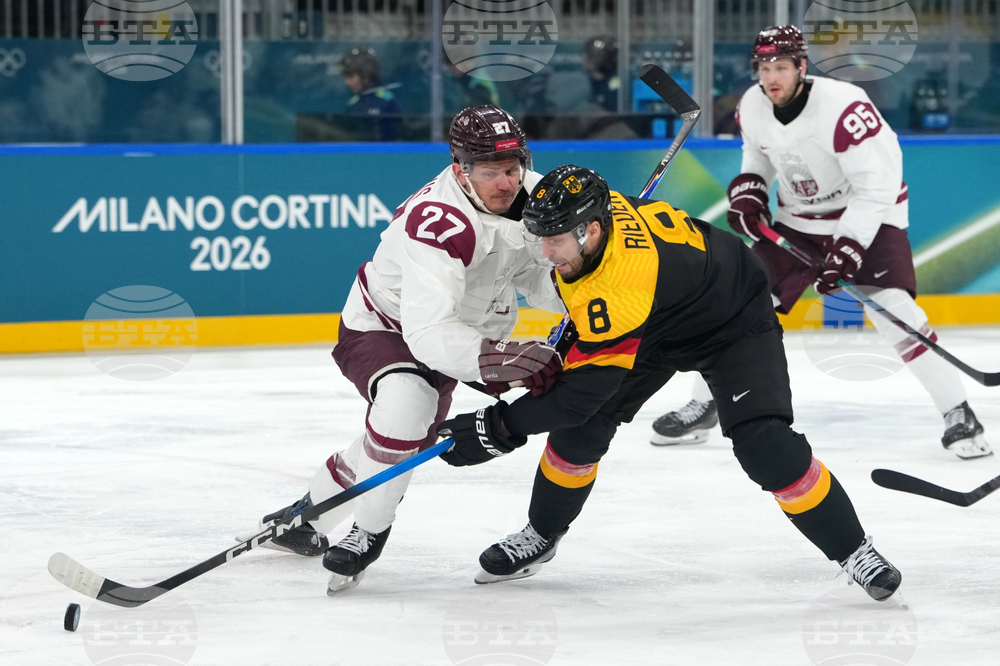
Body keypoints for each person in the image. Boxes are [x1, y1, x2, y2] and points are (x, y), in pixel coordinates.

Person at [438, 164, 903, 603]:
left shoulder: (617, 290)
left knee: (766, 447)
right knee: (581, 434)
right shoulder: (599, 215)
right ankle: (542, 534)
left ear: (592, 230)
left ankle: (854, 549)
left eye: (555, 240)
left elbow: (580, 396)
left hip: (732, 318)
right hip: (659, 317)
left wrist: (498, 427)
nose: (545, 253)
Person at [242, 105, 565, 594]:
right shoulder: (439, 221)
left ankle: (301, 518)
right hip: (385, 325)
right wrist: (497, 359)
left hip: (459, 331)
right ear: (461, 169)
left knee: (393, 439)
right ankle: (367, 531)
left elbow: (532, 273)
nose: (506, 181)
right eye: (491, 171)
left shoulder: (531, 196)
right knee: (406, 409)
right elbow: (429, 330)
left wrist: (583, 285)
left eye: (513, 167)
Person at [651, 25, 990, 460]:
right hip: (797, 222)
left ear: (802, 68)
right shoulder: (753, 105)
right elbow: (758, 155)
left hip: (871, 217)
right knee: (738, 304)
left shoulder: (844, 108)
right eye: (764, 67)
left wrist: (848, 248)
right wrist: (750, 190)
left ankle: (958, 412)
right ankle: (706, 403)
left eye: (781, 67)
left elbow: (877, 187)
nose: (771, 77)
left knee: (896, 312)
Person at [340, 46, 401, 141]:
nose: (347, 82)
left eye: (350, 76)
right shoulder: (352, 105)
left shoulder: (387, 102)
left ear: (366, 75)